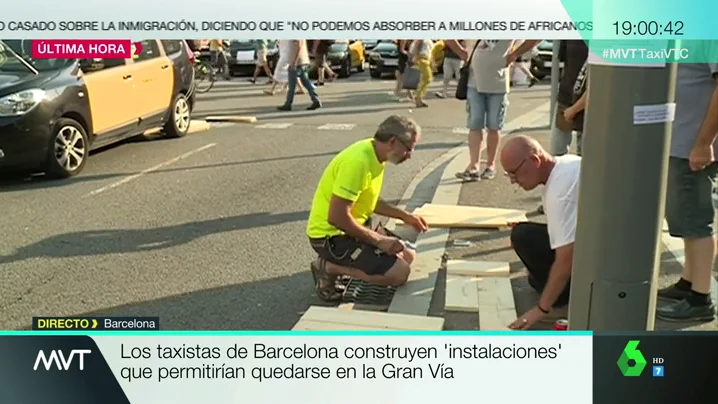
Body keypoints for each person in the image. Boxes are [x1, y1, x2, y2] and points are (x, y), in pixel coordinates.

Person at [306, 115, 428, 301]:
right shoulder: (358, 162)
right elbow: (337, 217)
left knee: (408, 255)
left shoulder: (375, 154)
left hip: (351, 228)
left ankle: (351, 264)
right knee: (399, 274)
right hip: (331, 237)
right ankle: (328, 266)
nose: (409, 155)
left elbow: (369, 200)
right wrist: (378, 240)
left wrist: (405, 216)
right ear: (393, 142)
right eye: (408, 149)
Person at [656, 41, 718, 322]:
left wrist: (703, 143)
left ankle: (700, 299)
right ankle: (689, 283)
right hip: (682, 141)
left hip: (693, 144)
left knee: (695, 221)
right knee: (685, 217)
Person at [499, 136, 580, 330]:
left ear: (535, 161)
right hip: (599, 243)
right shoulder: (566, 164)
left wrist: (541, 309)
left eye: (514, 173)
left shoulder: (560, 195)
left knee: (523, 236)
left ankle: (562, 298)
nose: (513, 181)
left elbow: (566, 258)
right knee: (525, 236)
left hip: (600, 262)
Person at [445, 39, 540, 181]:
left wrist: (514, 54)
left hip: (498, 84)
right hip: (474, 83)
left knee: (494, 126)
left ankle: (490, 165)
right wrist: (462, 52)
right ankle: (474, 166)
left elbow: (536, 36)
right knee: (475, 125)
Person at [550, 40, 589, 156]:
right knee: (557, 153)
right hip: (565, 98)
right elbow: (566, 65)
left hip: (589, 105)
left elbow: (598, 84)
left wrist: (574, 110)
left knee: (585, 157)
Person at [277, 39, 321, 111]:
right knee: (306, 83)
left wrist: (294, 62)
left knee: (292, 85)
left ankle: (288, 104)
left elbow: (298, 46)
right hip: (302, 61)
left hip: (297, 63)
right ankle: (316, 100)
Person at [409, 39, 434, 108]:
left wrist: (432, 61)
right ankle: (418, 98)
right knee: (427, 78)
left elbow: (430, 51)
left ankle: (419, 97)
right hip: (422, 59)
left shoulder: (429, 39)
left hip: (426, 59)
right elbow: (415, 46)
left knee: (425, 79)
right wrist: (414, 57)